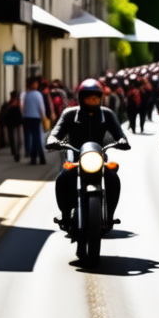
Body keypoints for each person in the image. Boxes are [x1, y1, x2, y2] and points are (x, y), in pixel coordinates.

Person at [46, 79, 131, 232]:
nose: (93, 100)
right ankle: (65, 215)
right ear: (81, 98)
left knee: (112, 177)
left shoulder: (107, 114)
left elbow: (119, 133)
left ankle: (109, 216)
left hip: (98, 157)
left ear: (100, 98)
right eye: (89, 97)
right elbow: (55, 133)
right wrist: (52, 140)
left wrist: (122, 141)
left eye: (96, 97)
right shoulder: (70, 114)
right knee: (63, 177)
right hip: (75, 157)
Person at [22, 77, 49, 165]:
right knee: (37, 138)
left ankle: (33, 158)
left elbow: (24, 107)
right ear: (32, 84)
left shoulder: (27, 95)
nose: (37, 85)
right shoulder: (38, 95)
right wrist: (43, 118)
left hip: (27, 118)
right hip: (36, 118)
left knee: (31, 138)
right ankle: (41, 158)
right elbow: (41, 108)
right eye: (35, 83)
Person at [0, 91, 23, 161]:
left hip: (12, 123)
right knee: (15, 138)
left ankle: (15, 151)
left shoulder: (9, 104)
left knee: (14, 138)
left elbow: (3, 114)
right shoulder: (10, 105)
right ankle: (15, 151)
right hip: (13, 123)